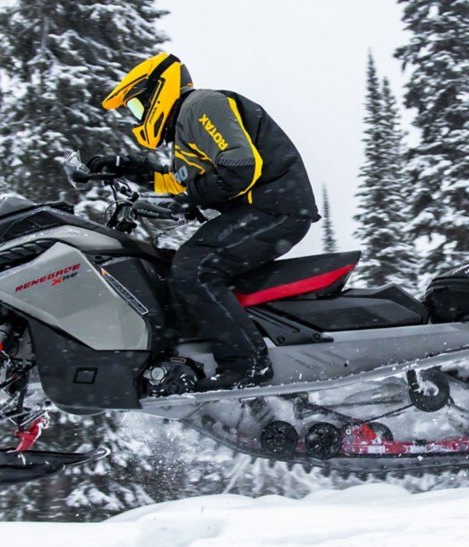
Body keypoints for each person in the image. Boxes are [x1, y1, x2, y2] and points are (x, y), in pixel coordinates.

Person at [88, 52, 319, 391]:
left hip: (274, 208)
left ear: (157, 93)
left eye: (138, 108)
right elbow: (177, 181)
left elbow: (240, 166)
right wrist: (126, 166)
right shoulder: (185, 130)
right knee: (178, 269)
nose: (138, 118)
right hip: (264, 209)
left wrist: (189, 201)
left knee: (194, 267)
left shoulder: (201, 105)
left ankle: (248, 364)